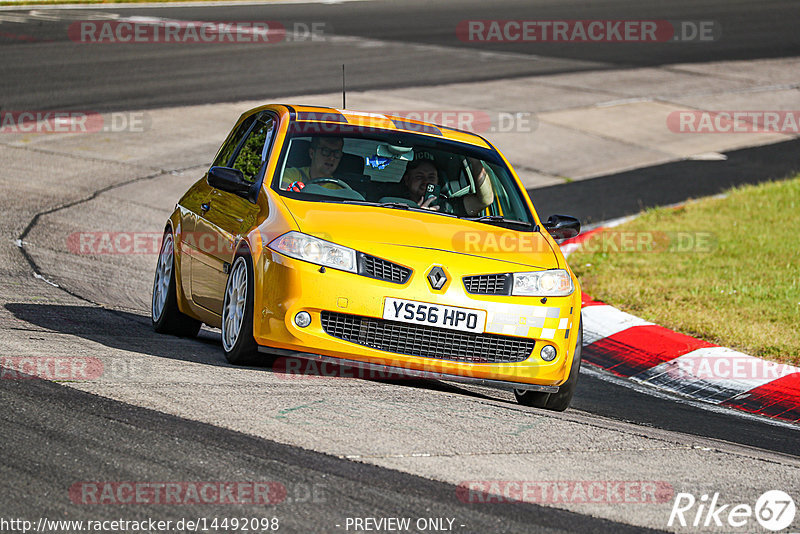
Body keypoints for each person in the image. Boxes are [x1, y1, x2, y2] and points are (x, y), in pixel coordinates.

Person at [400, 154, 494, 215]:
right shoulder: (388, 201)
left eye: (431, 177)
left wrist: (475, 160)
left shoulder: (445, 207)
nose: (426, 181)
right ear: (407, 180)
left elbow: (485, 200)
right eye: (419, 177)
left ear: (438, 180)